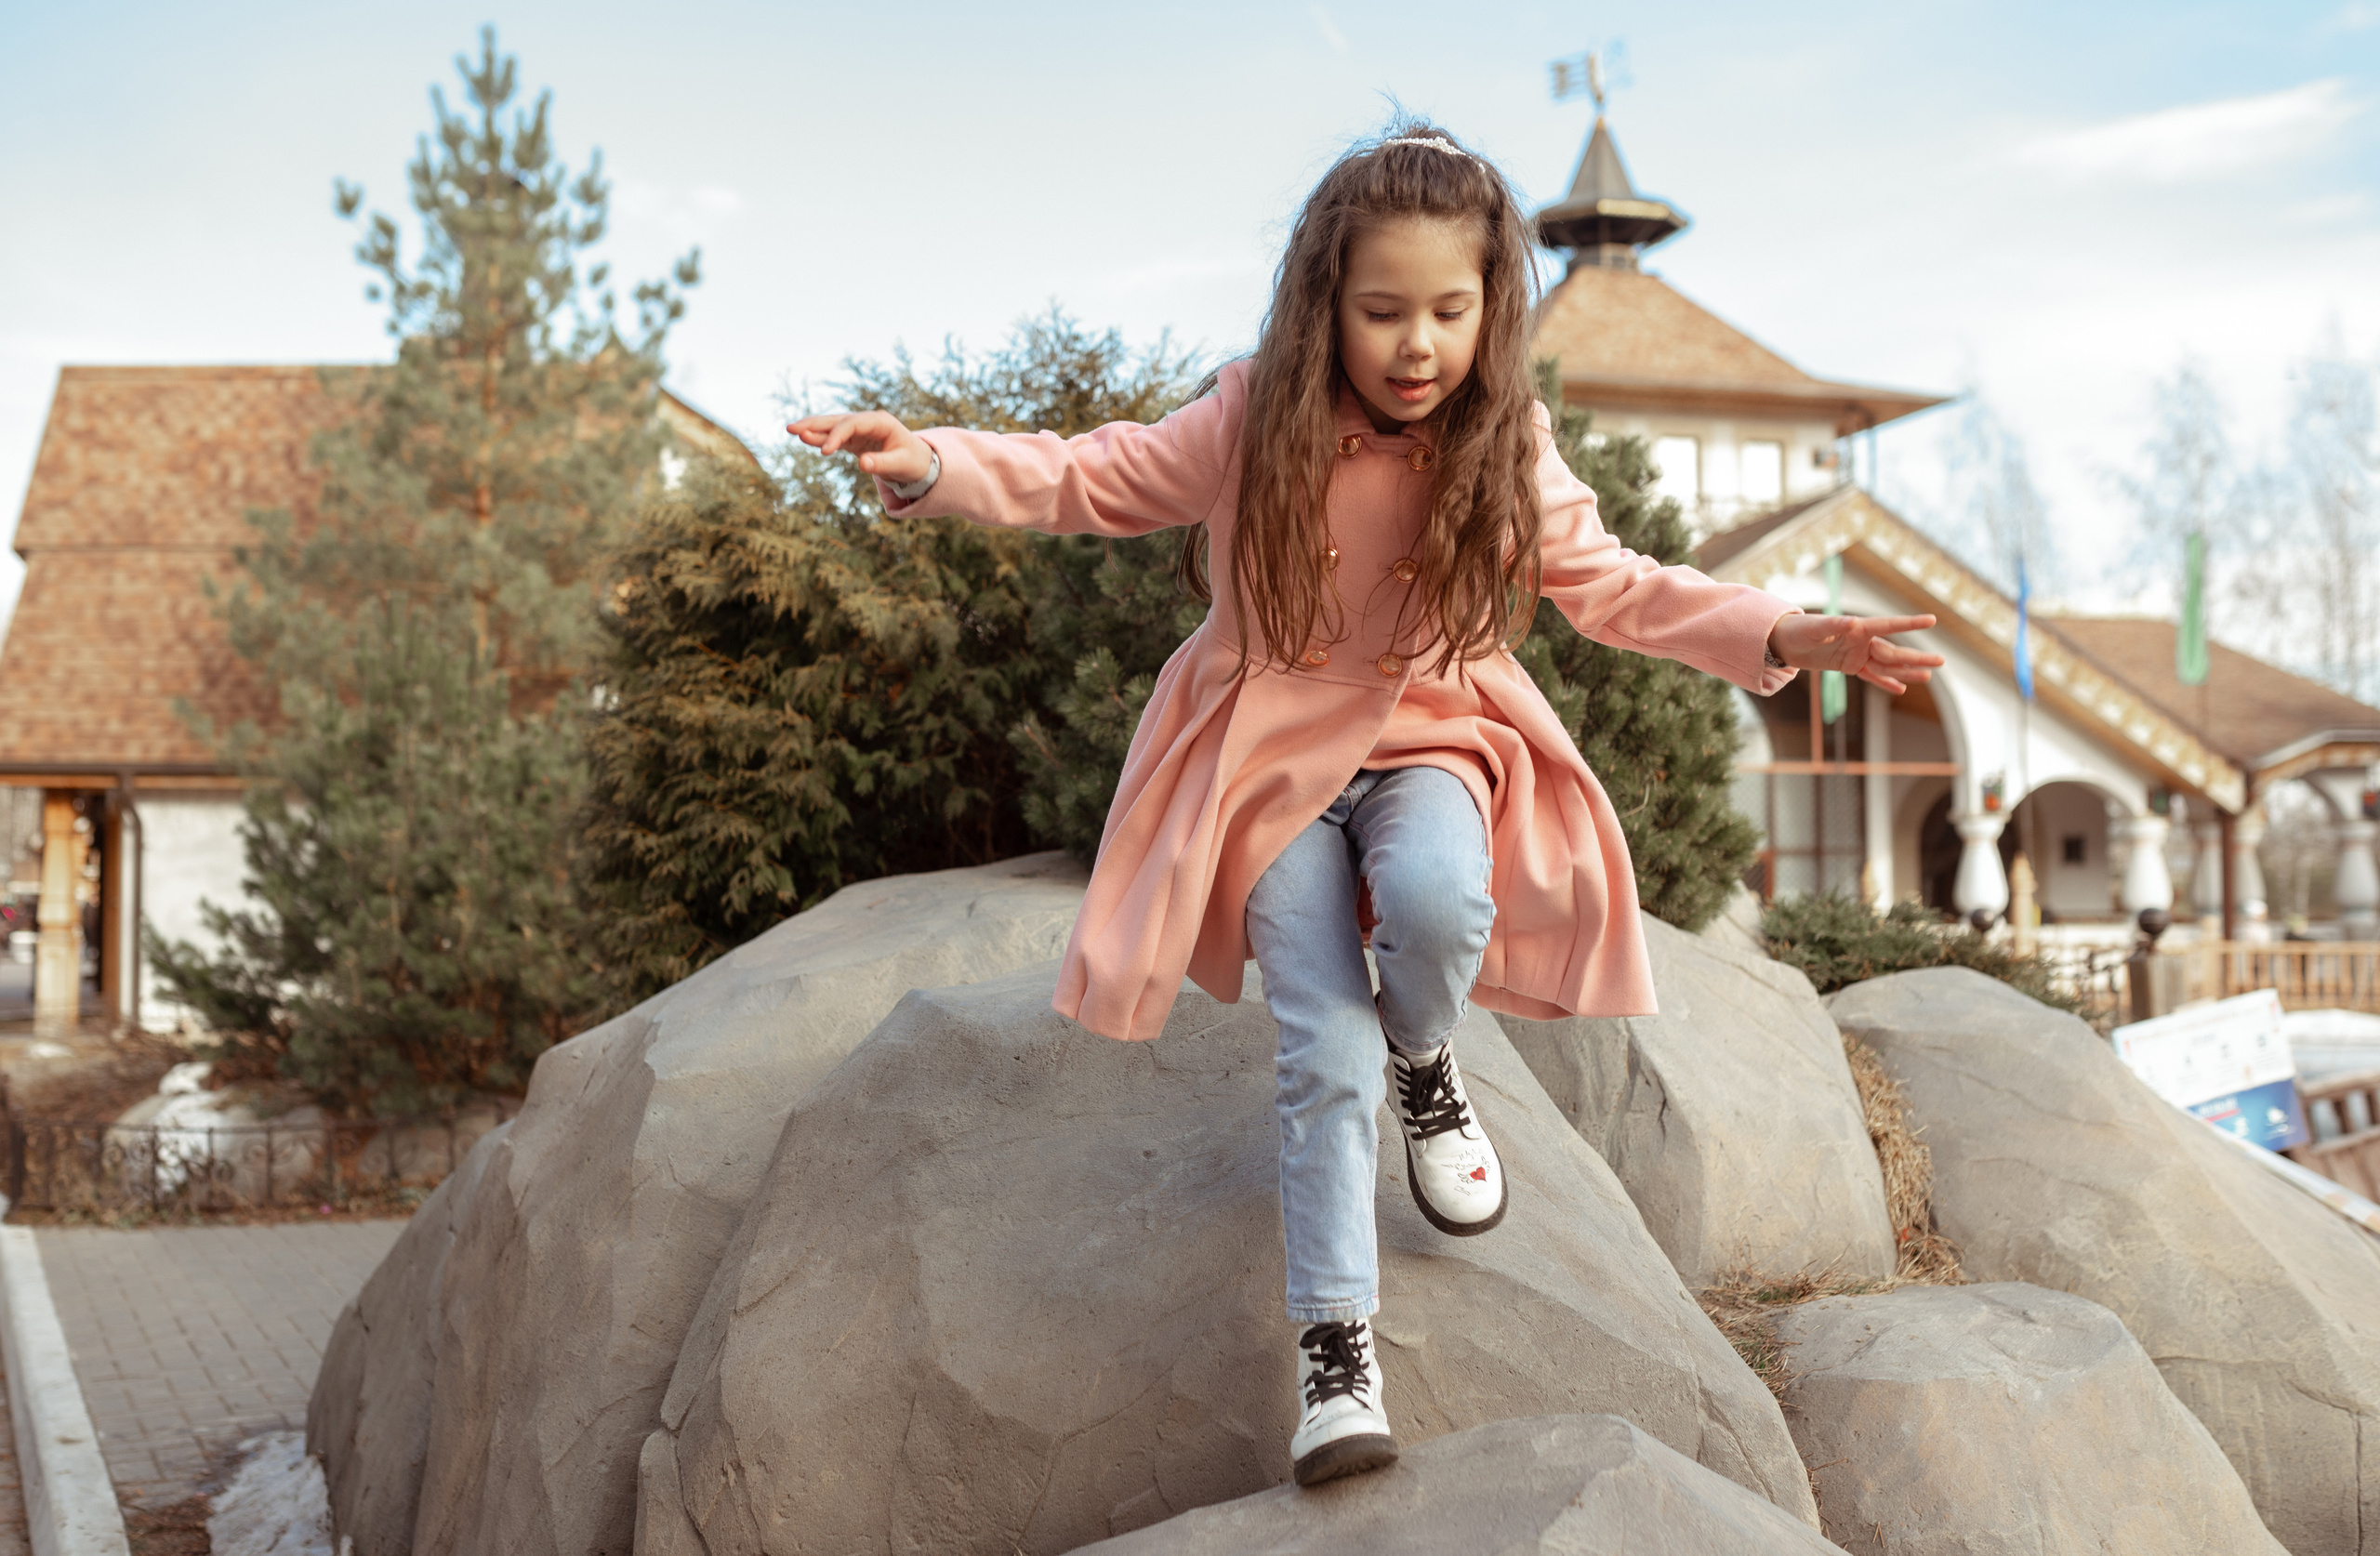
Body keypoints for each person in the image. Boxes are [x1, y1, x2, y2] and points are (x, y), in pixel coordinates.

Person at [790, 125, 1940, 1488]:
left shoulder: (1504, 442)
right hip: (1271, 766)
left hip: (1434, 734)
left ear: (1491, 308)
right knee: (1321, 1049)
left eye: (1450, 311)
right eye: (1384, 310)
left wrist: (1784, 629)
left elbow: (1614, 585)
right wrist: (932, 460)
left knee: (1440, 906)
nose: (1417, 345)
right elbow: (1097, 473)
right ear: (1326, 300)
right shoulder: (1251, 417)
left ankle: (1429, 1059)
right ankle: (1337, 1349)